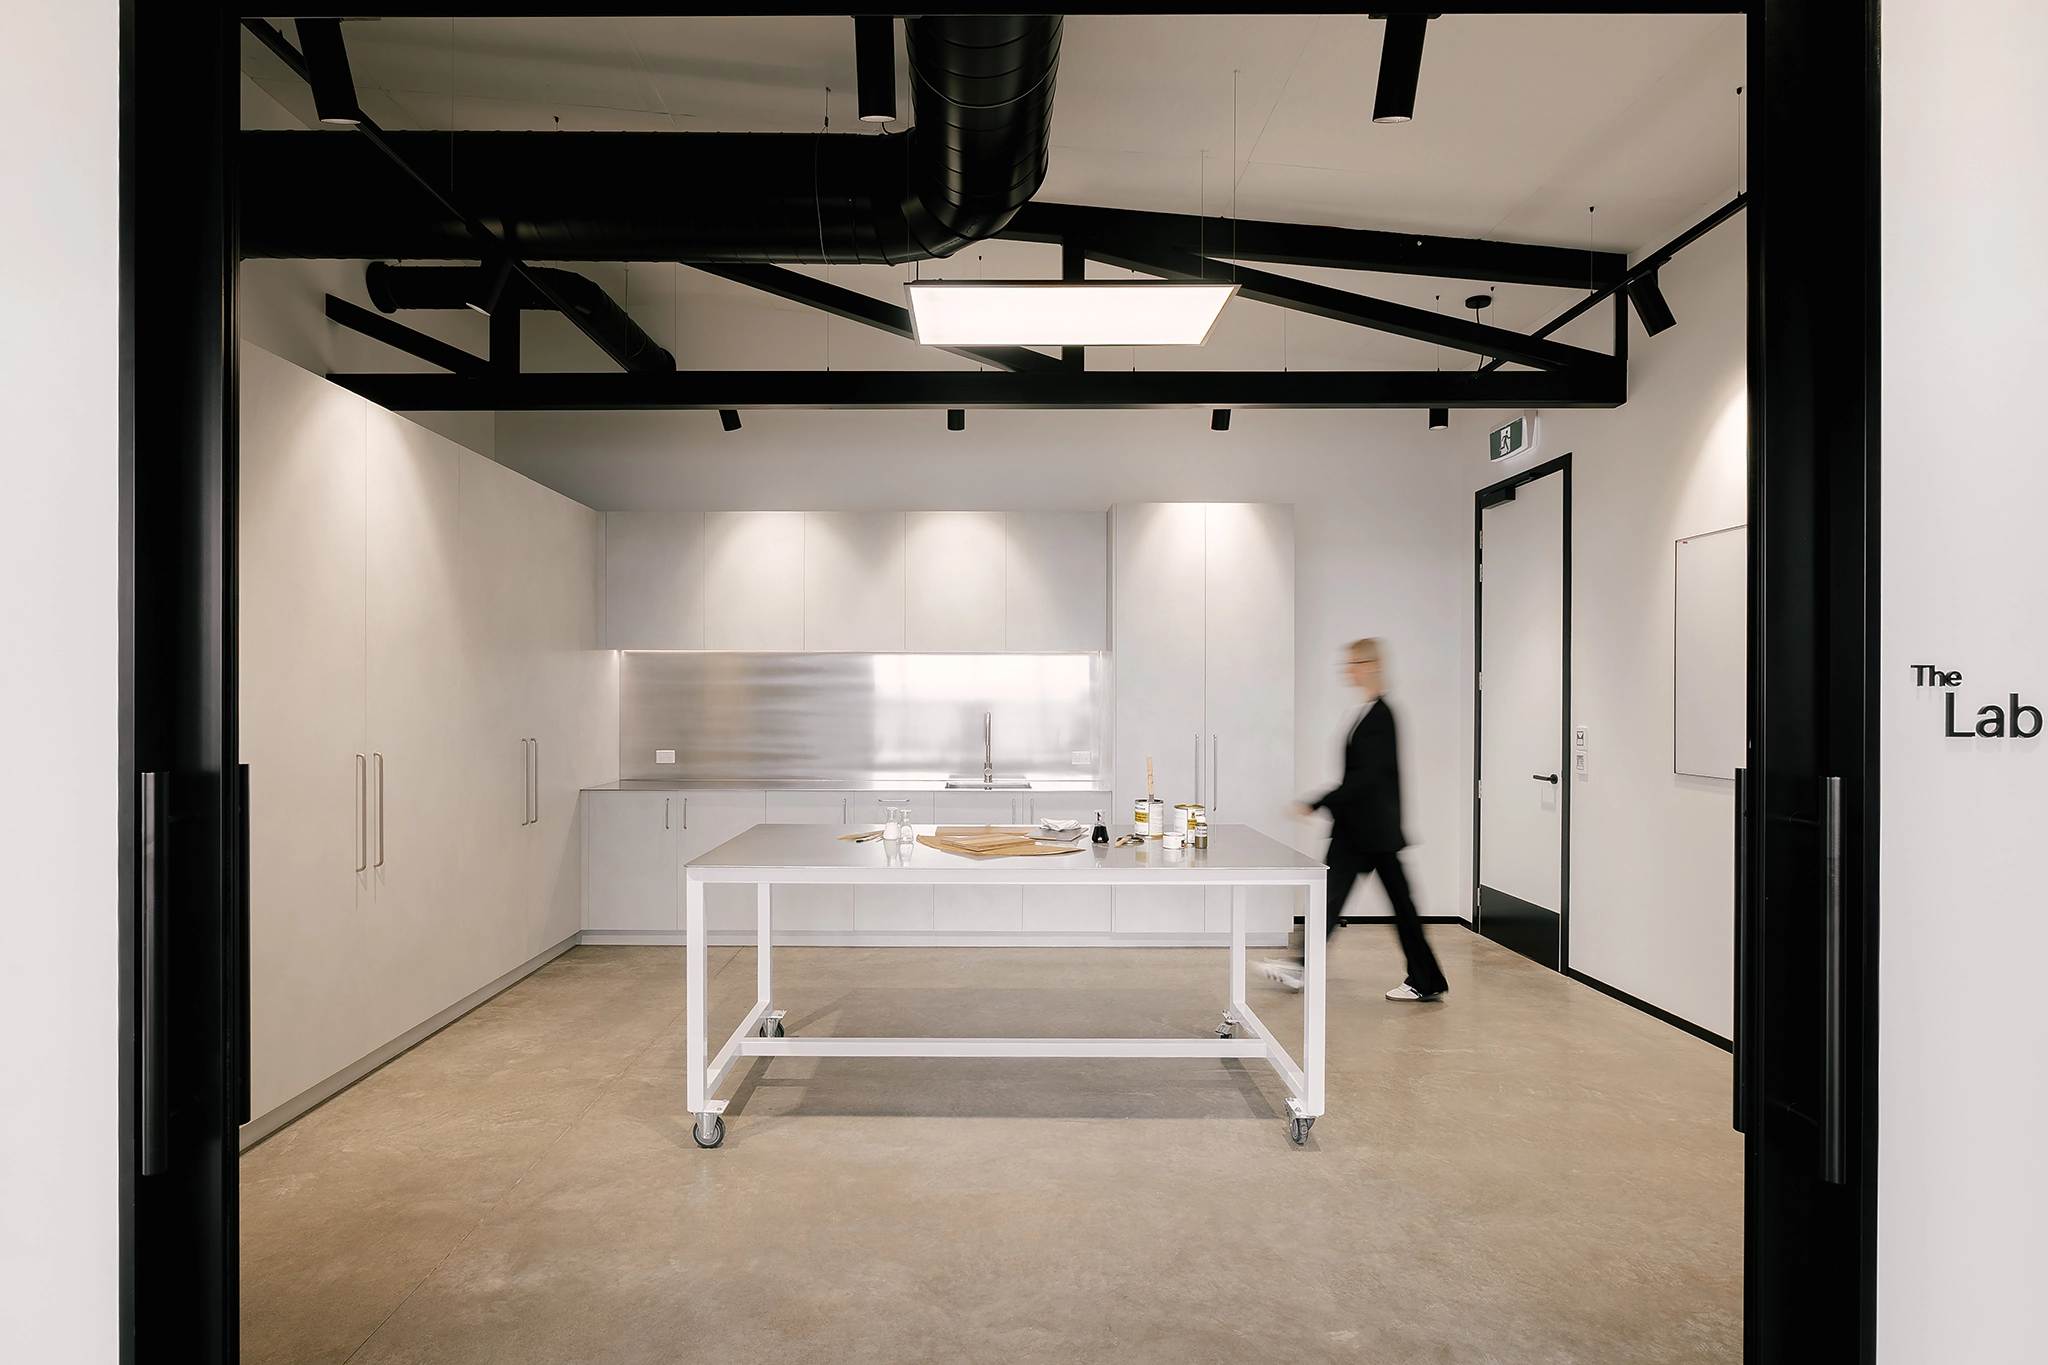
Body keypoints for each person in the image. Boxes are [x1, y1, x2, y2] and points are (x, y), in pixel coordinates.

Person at [1263, 638, 1449, 1001]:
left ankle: (1304, 968)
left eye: (1353, 663)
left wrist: (1317, 801)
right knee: (1347, 900)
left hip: (1368, 832)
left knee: (1369, 904)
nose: (1347, 670)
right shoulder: (1369, 710)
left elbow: (1366, 776)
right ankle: (1423, 979)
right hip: (1362, 829)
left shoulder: (1381, 715)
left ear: (1370, 665)